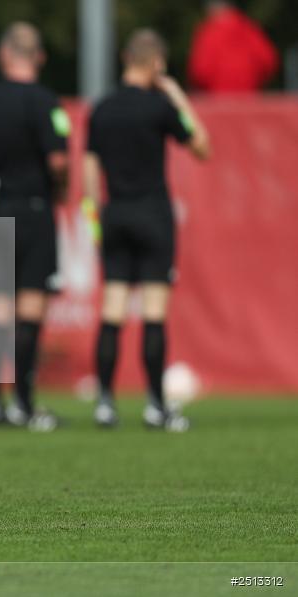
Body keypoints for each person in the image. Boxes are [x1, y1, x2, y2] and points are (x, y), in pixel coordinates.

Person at [83, 29, 210, 431]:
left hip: (115, 213)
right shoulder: (158, 106)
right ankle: (156, 405)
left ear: (125, 57)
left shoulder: (101, 109)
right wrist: (175, 93)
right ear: (157, 63)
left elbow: (89, 170)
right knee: (154, 313)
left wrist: (94, 217)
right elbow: (202, 145)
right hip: (153, 214)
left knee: (112, 310)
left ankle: (105, 403)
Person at [0, 22, 70, 431]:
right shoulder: (47, 101)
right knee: (30, 309)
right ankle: (24, 402)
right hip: (33, 208)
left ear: (3, 55)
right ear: (40, 57)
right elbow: (59, 159)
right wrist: (60, 191)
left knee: (0, 308)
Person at [188, 1, 278, 93]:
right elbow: (268, 60)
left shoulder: (208, 32)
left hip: (217, 99)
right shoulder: (248, 27)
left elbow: (200, 71)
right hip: (249, 97)